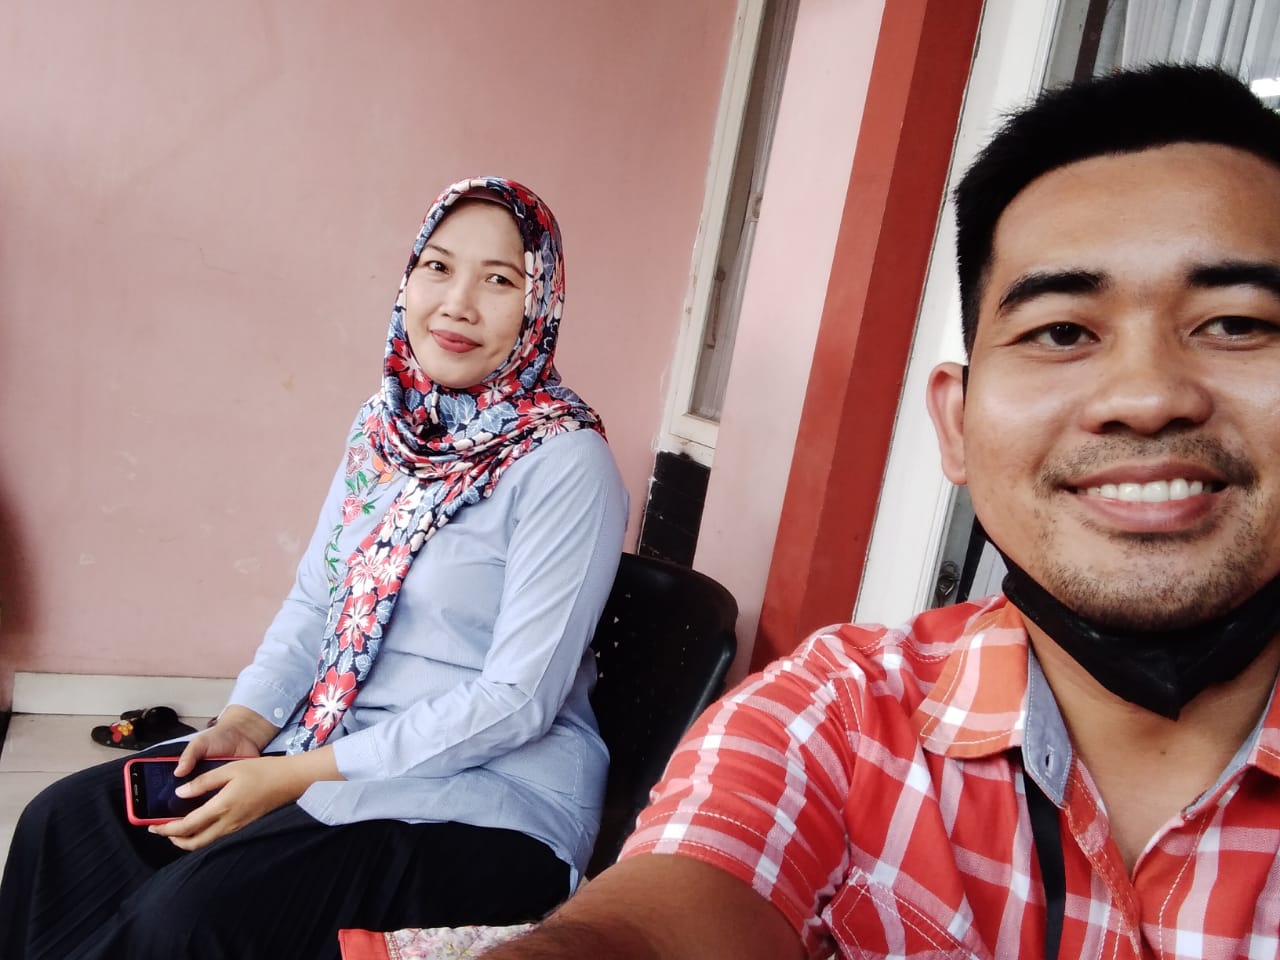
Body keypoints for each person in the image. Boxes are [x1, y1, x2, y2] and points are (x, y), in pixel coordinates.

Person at [479, 65, 1280, 960]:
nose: (1147, 397)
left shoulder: (564, 455)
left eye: (1237, 324)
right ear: (956, 424)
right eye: (1062, 332)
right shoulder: (835, 718)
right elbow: (650, 926)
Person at [0, 176, 629, 959]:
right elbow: (316, 601)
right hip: (332, 747)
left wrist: (297, 776)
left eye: (499, 280)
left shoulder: (566, 463)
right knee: (65, 825)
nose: (457, 303)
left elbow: (517, 700)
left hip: (490, 804)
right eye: (438, 267)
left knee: (186, 917)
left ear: (539, 305)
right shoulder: (385, 429)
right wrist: (243, 727)